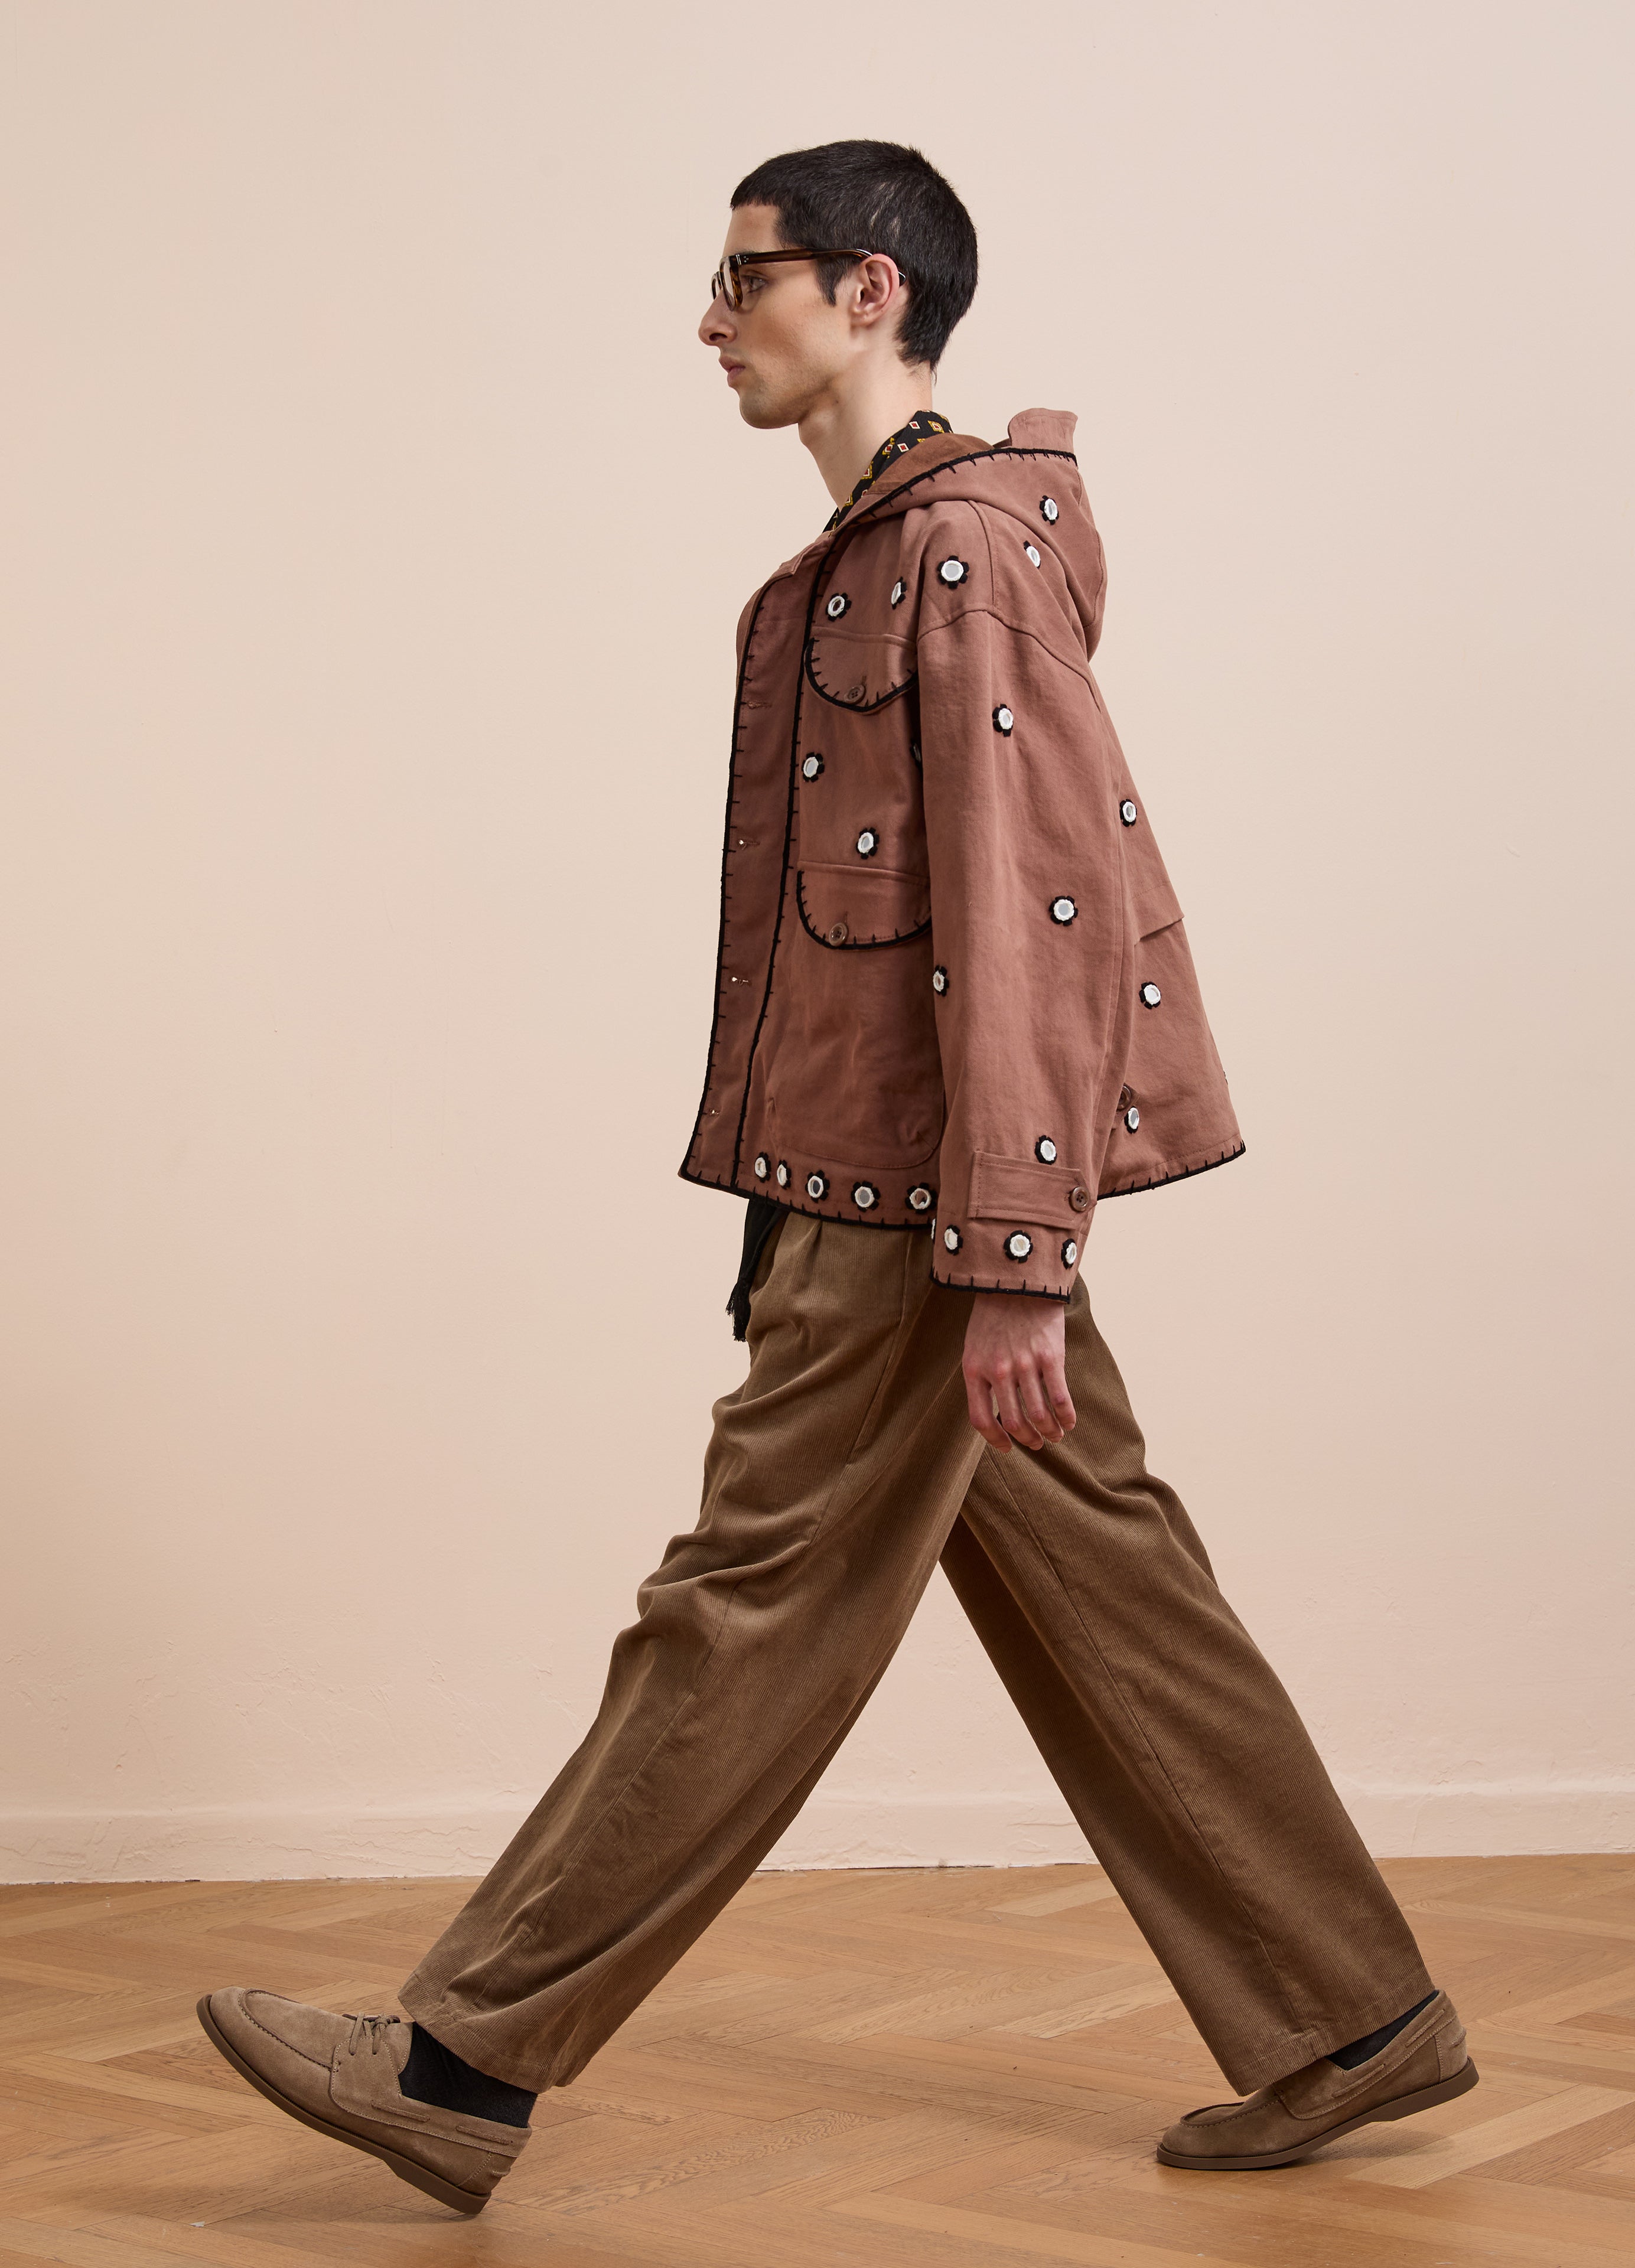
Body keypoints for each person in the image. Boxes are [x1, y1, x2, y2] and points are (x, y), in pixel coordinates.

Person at [196, 138, 1475, 2217]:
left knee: (744, 1606)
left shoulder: (956, 557)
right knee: (1111, 1584)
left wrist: (1013, 1254)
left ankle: (462, 2057)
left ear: (868, 293)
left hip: (912, 1212)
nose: (711, 321)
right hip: (892, 1191)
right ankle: (1353, 2016)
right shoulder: (869, 563)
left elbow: (1042, 906)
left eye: (745, 279)